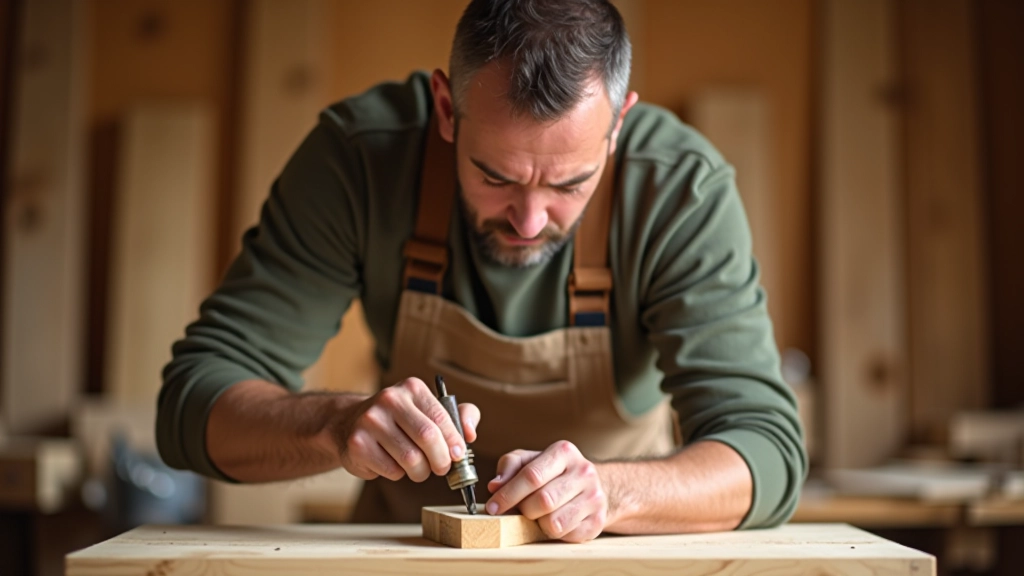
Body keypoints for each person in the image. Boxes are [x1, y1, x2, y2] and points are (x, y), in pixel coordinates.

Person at [157, 0, 806, 543]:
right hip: (406, 554)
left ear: (617, 127)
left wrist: (608, 491)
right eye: (494, 176)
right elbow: (192, 405)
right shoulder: (361, 159)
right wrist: (333, 425)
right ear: (446, 107)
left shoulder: (678, 189)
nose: (528, 221)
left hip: (606, 556)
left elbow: (766, 451)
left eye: (569, 184)